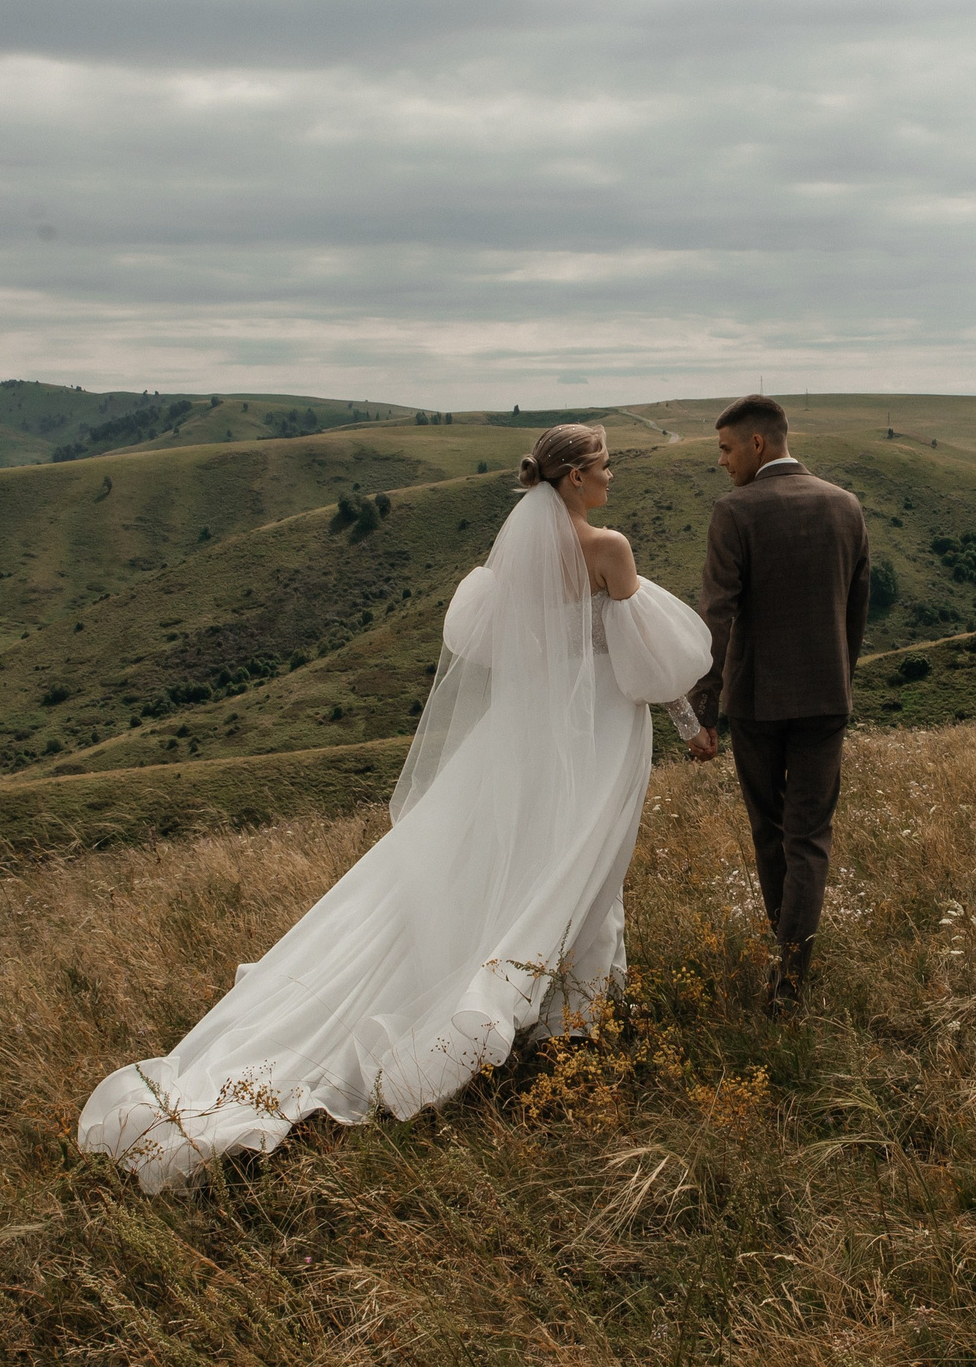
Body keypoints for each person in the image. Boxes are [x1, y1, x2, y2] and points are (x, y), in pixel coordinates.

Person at [78, 423, 710, 1191]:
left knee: (512, 864)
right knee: (585, 867)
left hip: (522, 738)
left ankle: (561, 1004)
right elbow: (652, 662)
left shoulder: (514, 557)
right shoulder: (609, 549)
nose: (613, 477)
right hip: (599, 735)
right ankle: (570, 1015)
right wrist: (692, 730)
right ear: (575, 477)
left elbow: (499, 650)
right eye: (605, 466)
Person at [684, 395, 871, 1011]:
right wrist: (840, 681)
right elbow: (856, 610)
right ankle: (791, 980)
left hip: (758, 702)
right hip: (826, 696)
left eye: (726, 448)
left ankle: (785, 966)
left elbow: (717, 617)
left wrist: (703, 714)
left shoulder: (735, 512)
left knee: (771, 832)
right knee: (809, 837)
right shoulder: (846, 506)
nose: (722, 461)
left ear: (758, 444)